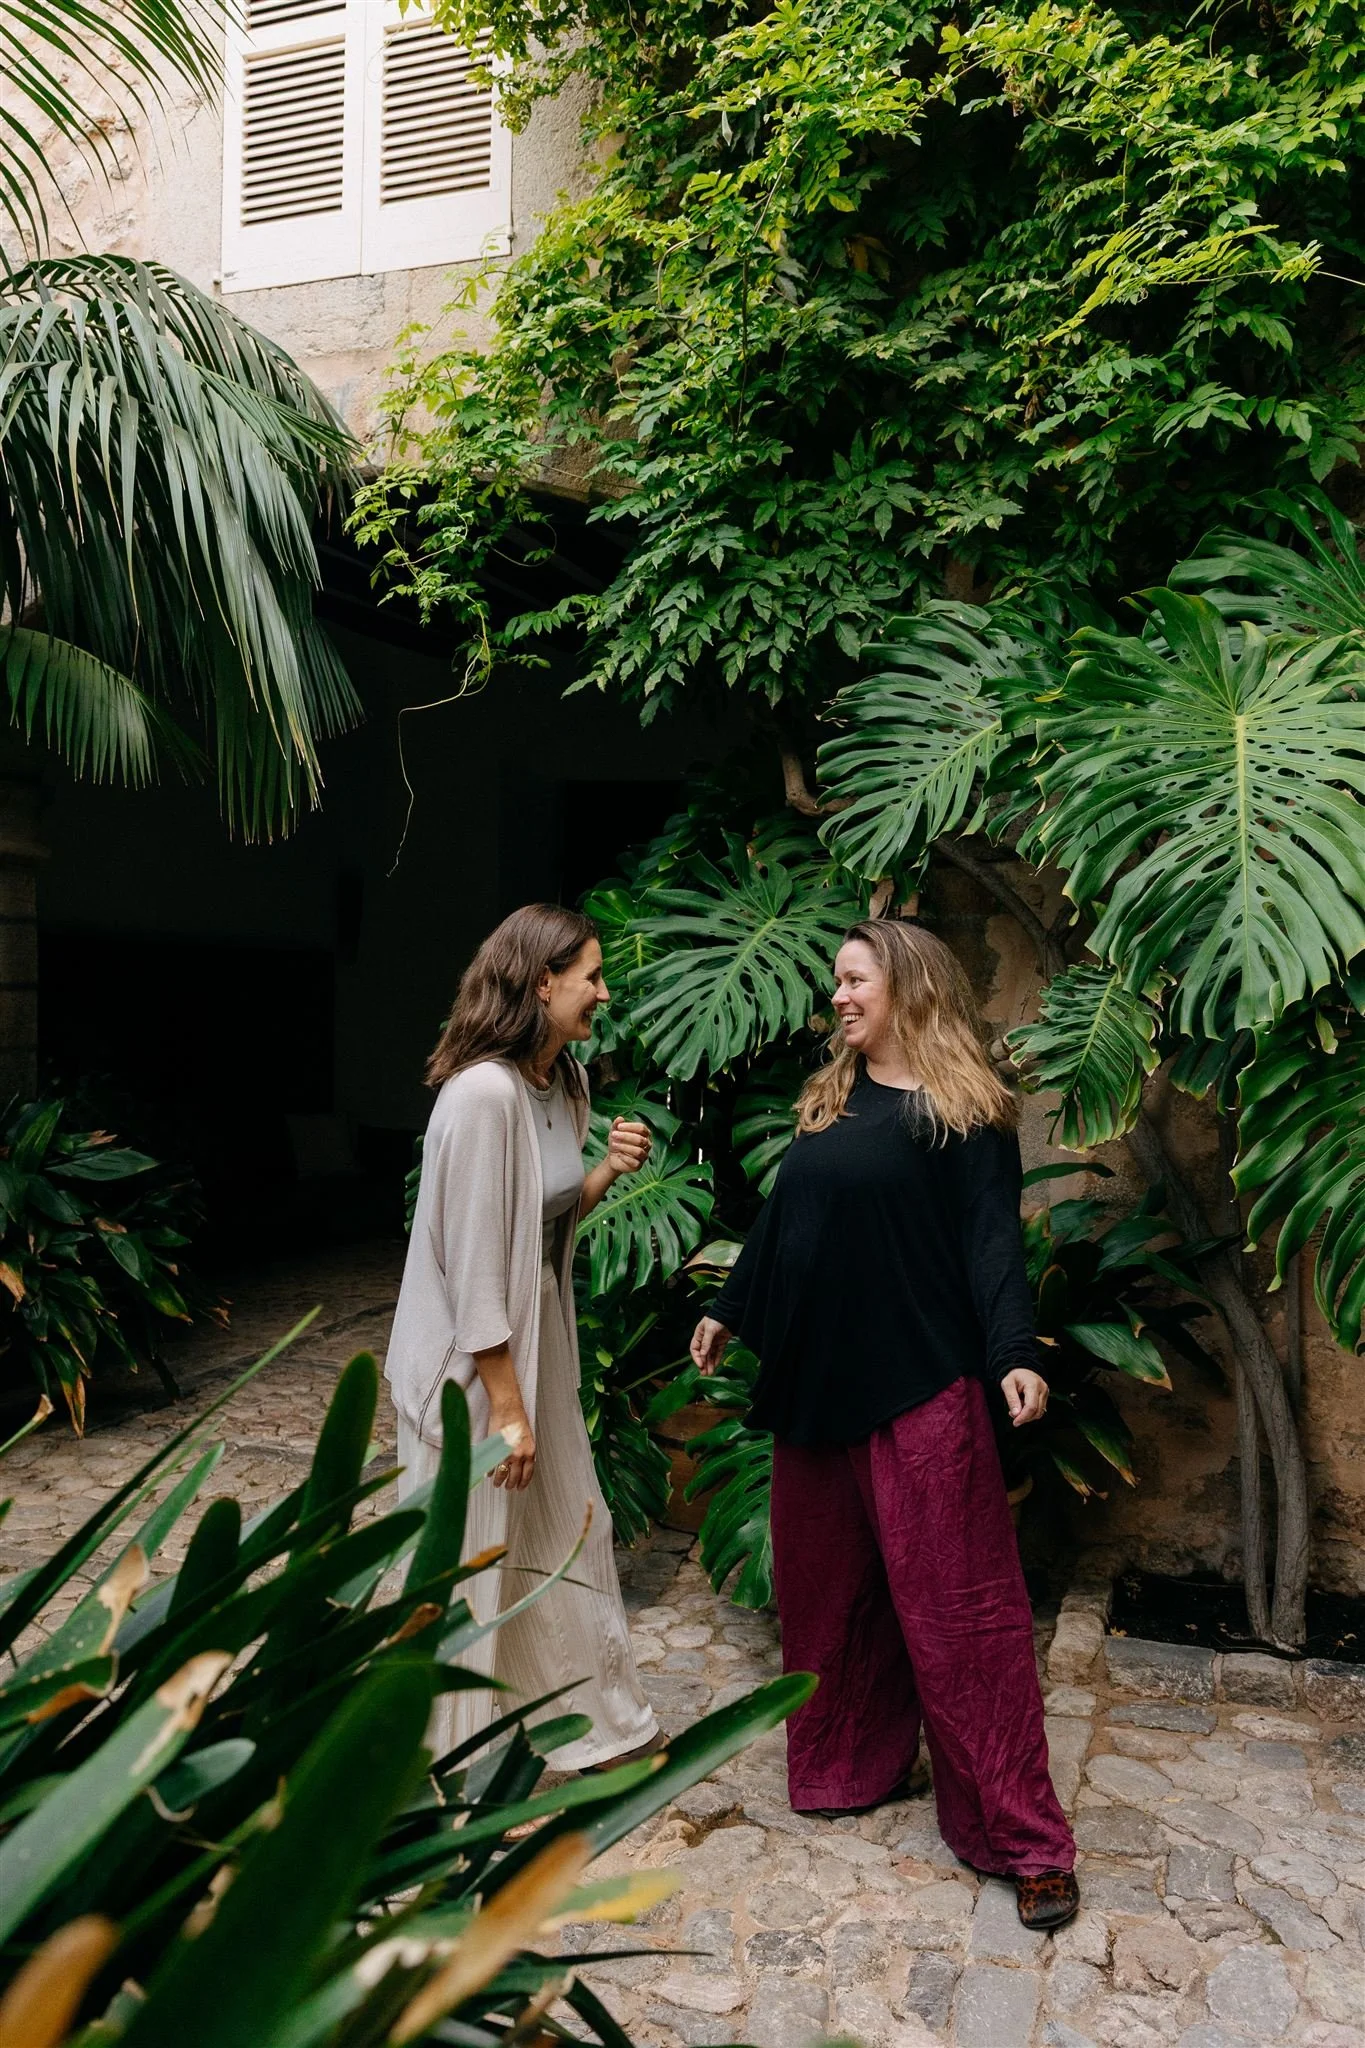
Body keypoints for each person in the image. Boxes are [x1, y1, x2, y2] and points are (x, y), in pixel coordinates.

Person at [690, 917, 1078, 1929]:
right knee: (830, 1599)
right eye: (835, 983)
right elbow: (786, 1218)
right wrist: (729, 1308)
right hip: (819, 1389)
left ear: (906, 984)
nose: (838, 996)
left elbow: (994, 1246)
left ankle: (1022, 1839)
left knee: (965, 1618)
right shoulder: (835, 1097)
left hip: (923, 1385)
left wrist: (1015, 1353)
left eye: (854, 979)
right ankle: (846, 1765)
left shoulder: (965, 1114)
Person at [386, 904, 661, 1771]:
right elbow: (472, 1267)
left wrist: (606, 1170)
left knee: (564, 1531)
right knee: (468, 1558)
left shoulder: (563, 1084)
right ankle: (449, 1772)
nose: (602, 994)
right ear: (542, 982)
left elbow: (538, 1225)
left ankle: (589, 1728)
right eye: (591, 977)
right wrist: (507, 1411)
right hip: (473, 1370)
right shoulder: (481, 1095)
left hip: (535, 1351)